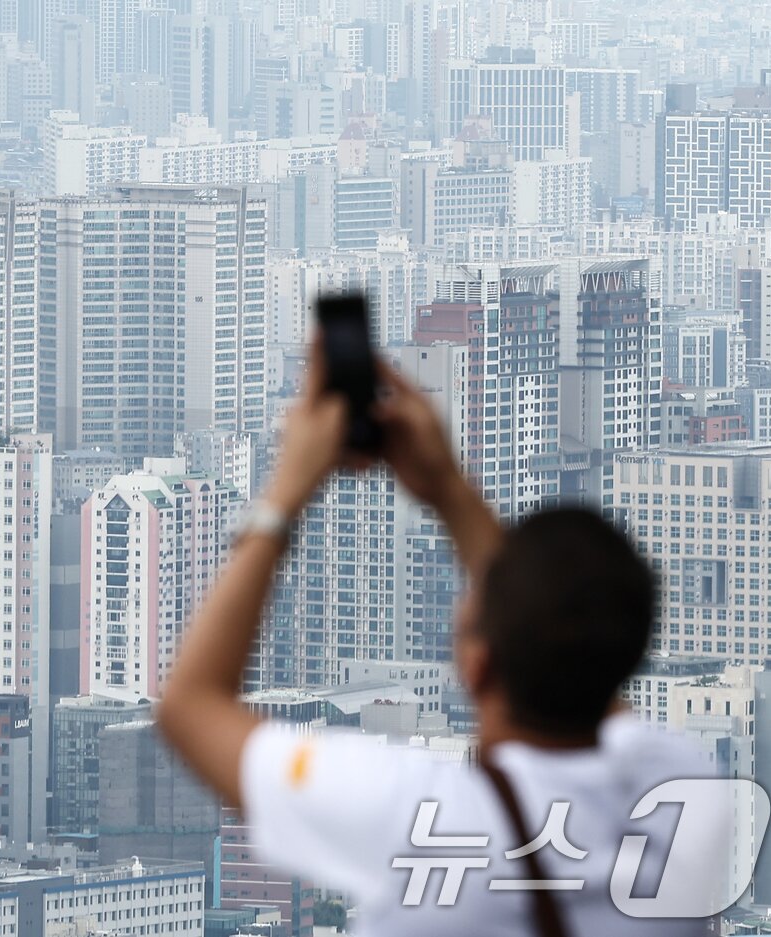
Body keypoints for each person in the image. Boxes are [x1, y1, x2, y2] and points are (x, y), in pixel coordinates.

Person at [157, 341, 735, 936]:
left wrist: (286, 491)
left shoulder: (414, 816)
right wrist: (448, 490)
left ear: (477, 666)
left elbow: (189, 704)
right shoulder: (682, 797)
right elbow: (567, 633)